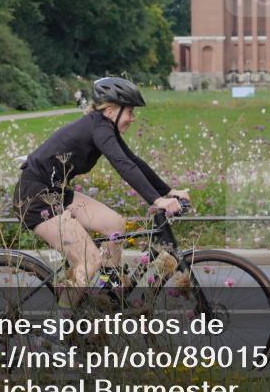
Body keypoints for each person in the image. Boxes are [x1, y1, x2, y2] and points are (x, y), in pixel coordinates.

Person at [13, 77, 189, 302]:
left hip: (55, 193)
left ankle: (108, 297)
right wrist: (157, 201)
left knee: (115, 225)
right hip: (34, 197)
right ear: (111, 110)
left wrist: (168, 192)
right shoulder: (99, 127)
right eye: (130, 112)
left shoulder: (102, 126)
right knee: (88, 261)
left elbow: (132, 160)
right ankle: (55, 333)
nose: (132, 119)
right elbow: (122, 165)